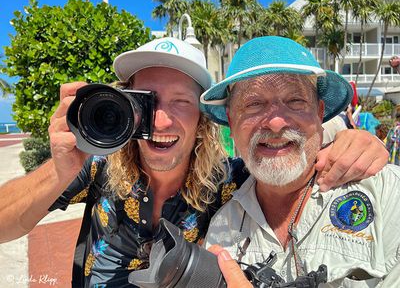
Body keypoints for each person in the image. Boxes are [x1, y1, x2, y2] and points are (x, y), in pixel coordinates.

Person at [0, 37, 389, 287]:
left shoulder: (232, 184)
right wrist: (59, 169)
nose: (161, 120)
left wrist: (352, 141)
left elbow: (284, 157)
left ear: (204, 118)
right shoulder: (98, 166)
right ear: (124, 106)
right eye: (145, 102)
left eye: (181, 102)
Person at [201, 36, 400, 287]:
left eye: (295, 101)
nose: (275, 123)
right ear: (231, 121)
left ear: (319, 113)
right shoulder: (222, 227)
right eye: (254, 104)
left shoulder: (386, 193)